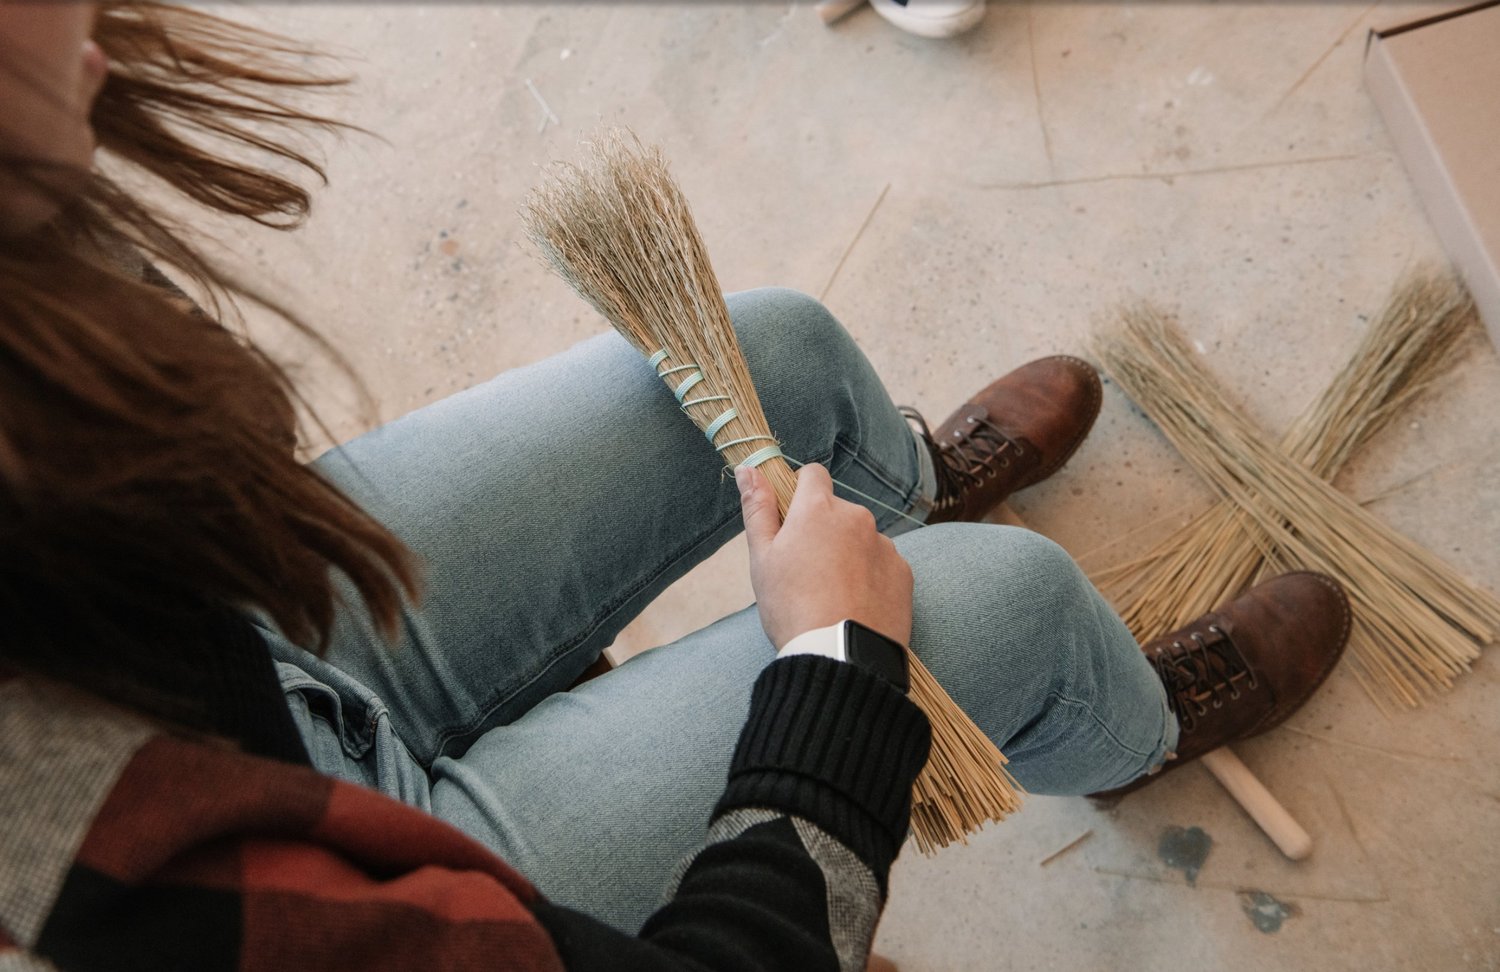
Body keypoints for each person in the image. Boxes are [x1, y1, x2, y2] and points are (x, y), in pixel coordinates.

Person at [0, 4, 1351, 970]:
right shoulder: (111, 870)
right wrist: (833, 666)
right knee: (1018, 602)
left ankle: (906, 505)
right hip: (347, 850)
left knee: (779, 351)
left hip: (233, 643)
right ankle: (1120, 735)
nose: (107, 41)